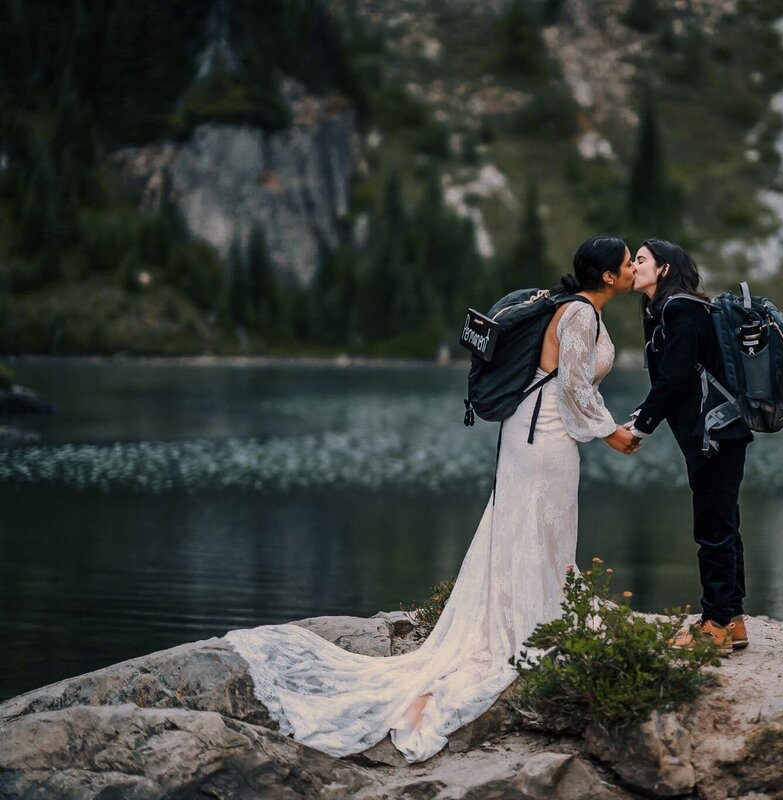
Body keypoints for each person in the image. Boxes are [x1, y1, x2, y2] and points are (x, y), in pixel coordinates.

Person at [224, 235, 640, 762]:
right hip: (544, 438)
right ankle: (525, 627)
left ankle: (537, 615)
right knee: (535, 525)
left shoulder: (577, 310)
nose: (631, 269)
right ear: (606, 275)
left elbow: (573, 387)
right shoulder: (579, 316)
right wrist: (613, 435)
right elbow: (577, 388)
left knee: (537, 529)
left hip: (536, 434)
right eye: (627, 263)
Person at [627, 238, 753, 652]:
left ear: (664, 269)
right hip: (717, 432)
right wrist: (644, 413)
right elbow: (672, 380)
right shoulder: (666, 309)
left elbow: (676, 378)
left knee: (713, 527)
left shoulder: (680, 308)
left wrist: (642, 427)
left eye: (641, 260)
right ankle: (732, 620)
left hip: (713, 434)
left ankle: (715, 626)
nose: (633, 266)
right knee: (723, 523)